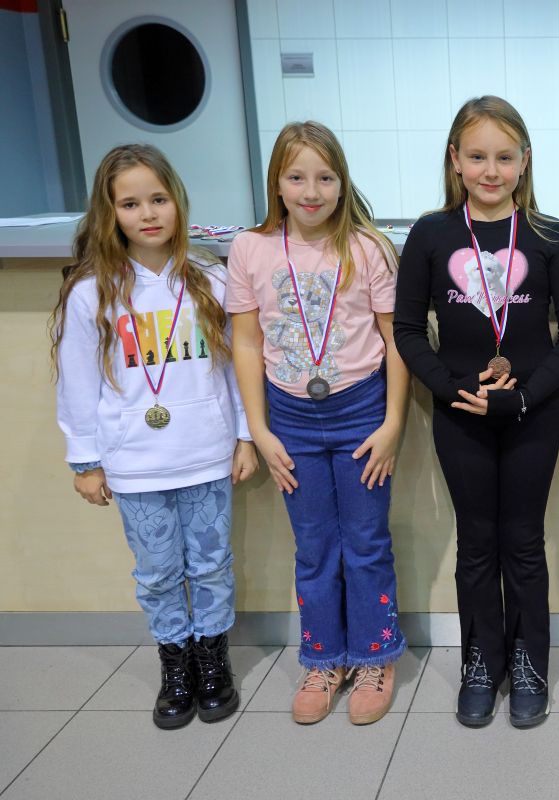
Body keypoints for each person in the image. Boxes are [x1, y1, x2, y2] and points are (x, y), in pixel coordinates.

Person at [394, 96, 559, 729]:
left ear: (525, 161)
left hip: (533, 414)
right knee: (477, 543)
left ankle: (529, 661)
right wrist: (453, 390)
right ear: (455, 160)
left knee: (524, 543)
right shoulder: (431, 235)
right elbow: (407, 331)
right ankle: (481, 661)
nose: (491, 170)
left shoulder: (549, 236)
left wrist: (525, 395)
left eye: (505, 157)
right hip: (460, 417)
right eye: (477, 156)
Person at [52, 144, 257, 729]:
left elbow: (238, 368)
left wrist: (245, 435)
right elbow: (77, 383)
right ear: (109, 213)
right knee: (158, 572)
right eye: (130, 203)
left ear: (178, 202)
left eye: (159, 199)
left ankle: (212, 661)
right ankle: (176, 665)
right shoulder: (92, 291)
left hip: (205, 453)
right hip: (135, 464)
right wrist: (85, 461)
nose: (148, 213)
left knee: (212, 565)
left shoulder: (210, 279)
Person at [227, 121, 409, 726]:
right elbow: (246, 343)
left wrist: (393, 423)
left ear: (343, 182)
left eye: (325, 177)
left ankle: (375, 656)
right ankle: (323, 659)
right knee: (313, 546)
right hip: (289, 419)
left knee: (366, 541)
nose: (311, 191)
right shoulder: (251, 248)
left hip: (361, 411)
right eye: (297, 177)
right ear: (276, 183)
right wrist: (259, 430)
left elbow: (396, 340)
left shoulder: (368, 248)